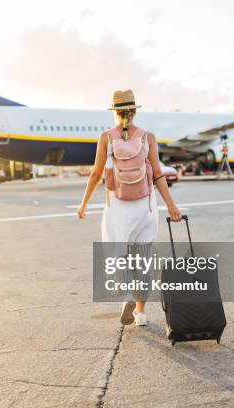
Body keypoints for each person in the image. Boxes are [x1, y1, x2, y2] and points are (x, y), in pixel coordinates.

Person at [78, 89, 181, 327]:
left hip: (118, 208)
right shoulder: (148, 137)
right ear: (134, 112)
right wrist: (172, 206)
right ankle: (141, 315)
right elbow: (157, 174)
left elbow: (95, 173)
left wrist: (83, 204)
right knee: (142, 260)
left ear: (115, 113)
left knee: (120, 257)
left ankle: (125, 296)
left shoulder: (107, 138)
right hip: (145, 207)